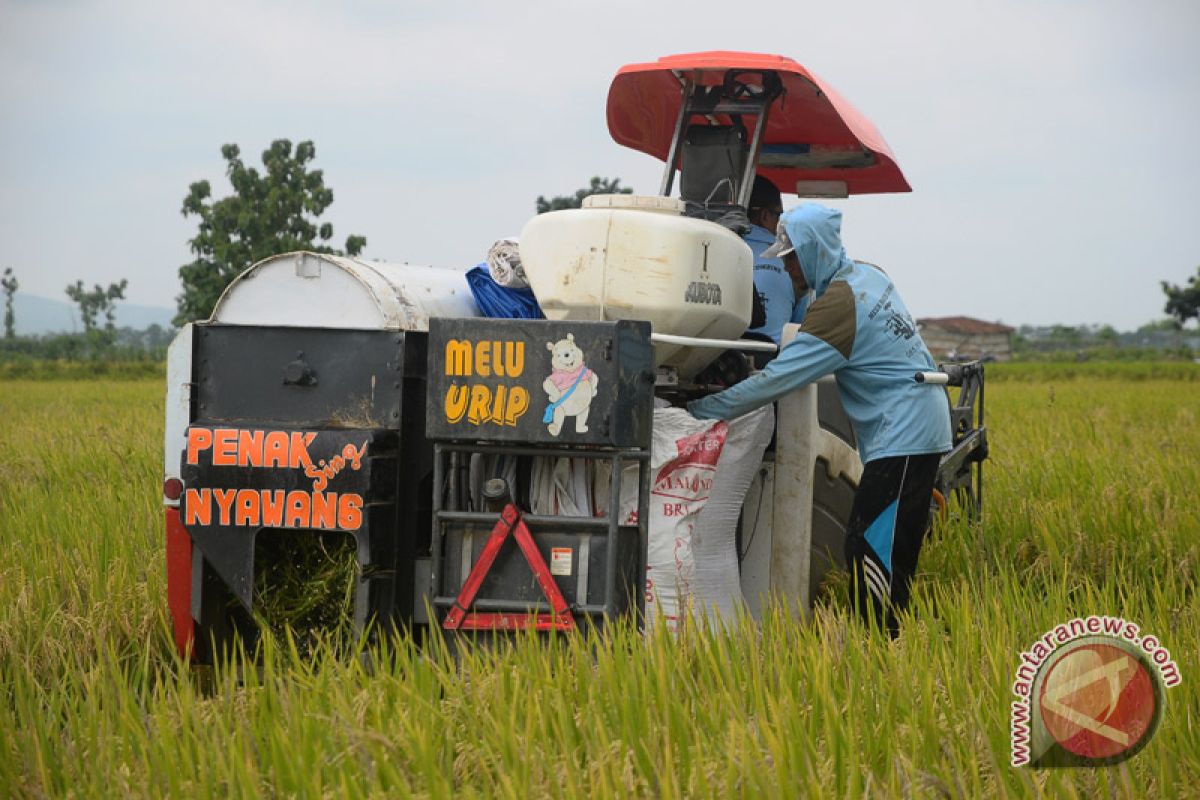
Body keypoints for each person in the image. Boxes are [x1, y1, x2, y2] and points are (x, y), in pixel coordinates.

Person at [688, 203, 952, 636]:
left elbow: (777, 380)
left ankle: (881, 646)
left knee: (873, 547)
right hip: (917, 423)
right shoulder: (868, 274)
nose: (788, 268)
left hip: (905, 432)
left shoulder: (838, 308)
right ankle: (891, 640)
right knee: (879, 542)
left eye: (791, 257)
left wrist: (703, 409)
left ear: (810, 251)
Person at [745, 176, 810, 344]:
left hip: (721, 362)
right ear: (765, 215)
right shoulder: (794, 262)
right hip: (773, 363)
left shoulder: (718, 249)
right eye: (779, 215)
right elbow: (798, 329)